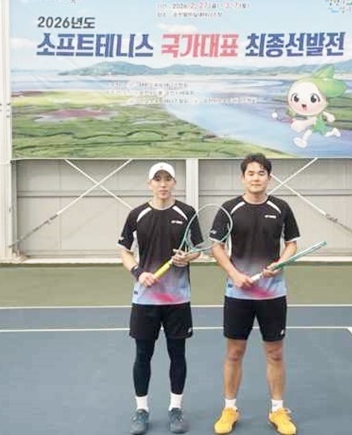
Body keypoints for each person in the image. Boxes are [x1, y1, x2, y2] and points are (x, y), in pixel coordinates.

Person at [210, 153, 300, 435]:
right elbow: (216, 246)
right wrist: (234, 274)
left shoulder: (281, 207)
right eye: (251, 173)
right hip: (238, 294)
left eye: (261, 173)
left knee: (275, 353)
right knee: (234, 352)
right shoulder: (229, 209)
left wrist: (280, 263)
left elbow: (292, 243)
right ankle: (229, 408)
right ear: (243, 178)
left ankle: (277, 410)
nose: (256, 178)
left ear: (269, 178)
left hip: (273, 294)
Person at [118, 162, 202, 435]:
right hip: (145, 300)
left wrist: (186, 257)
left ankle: (175, 408)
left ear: (174, 183)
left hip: (178, 299)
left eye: (168, 179)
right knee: (143, 355)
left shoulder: (187, 213)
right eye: (158, 179)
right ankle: (141, 410)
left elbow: (198, 249)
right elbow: (124, 251)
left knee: (177, 354)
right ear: (149, 184)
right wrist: (138, 272)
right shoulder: (137, 215)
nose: (163, 184)